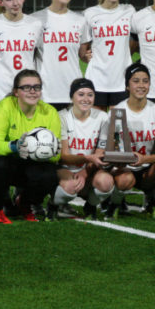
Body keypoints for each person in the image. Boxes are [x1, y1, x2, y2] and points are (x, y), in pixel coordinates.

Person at [104, 63, 155, 220]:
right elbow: (112, 149)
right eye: (136, 81)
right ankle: (114, 203)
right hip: (125, 170)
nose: (141, 85)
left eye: (145, 81)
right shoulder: (118, 111)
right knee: (126, 179)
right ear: (127, 85)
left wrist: (145, 159)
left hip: (147, 169)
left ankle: (153, 202)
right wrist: (118, 161)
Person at [0, 69, 61, 223]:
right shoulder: (5, 107)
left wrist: (47, 151)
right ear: (16, 92)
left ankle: (25, 203)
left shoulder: (50, 112)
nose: (32, 91)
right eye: (26, 87)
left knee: (51, 175)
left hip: (35, 163)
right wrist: (15, 146)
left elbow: (57, 155)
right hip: (10, 162)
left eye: (37, 87)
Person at [32, 0, 90, 110]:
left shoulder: (81, 20)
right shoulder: (35, 20)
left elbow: (83, 54)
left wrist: (88, 56)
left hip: (73, 91)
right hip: (45, 93)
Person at [57, 78, 112, 220]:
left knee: (106, 182)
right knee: (70, 185)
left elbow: (100, 152)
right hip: (65, 169)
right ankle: (55, 205)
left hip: (90, 168)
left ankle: (91, 205)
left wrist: (86, 170)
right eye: (80, 94)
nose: (86, 99)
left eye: (90, 94)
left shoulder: (103, 117)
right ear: (72, 97)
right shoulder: (62, 117)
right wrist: (86, 159)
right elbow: (64, 156)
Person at [0, 0, 42, 112]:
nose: (15, 3)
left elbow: (40, 55)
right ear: (1, 3)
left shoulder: (36, 24)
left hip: (27, 91)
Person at [83, 0, 136, 109]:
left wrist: (126, 54)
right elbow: (83, 49)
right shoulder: (90, 14)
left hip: (121, 80)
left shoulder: (129, 11)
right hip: (96, 78)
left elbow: (139, 37)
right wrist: (85, 56)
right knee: (95, 127)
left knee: (117, 128)